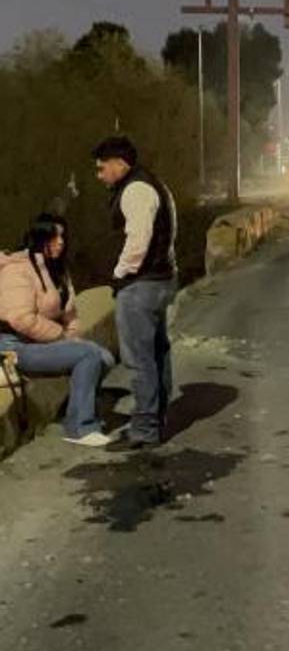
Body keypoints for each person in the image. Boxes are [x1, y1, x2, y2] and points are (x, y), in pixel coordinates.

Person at [0, 214, 116, 446]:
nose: (60, 242)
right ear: (39, 238)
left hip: (42, 342)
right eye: (54, 236)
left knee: (104, 357)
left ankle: (76, 410)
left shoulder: (57, 269)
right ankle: (80, 427)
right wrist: (61, 337)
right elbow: (20, 318)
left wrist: (71, 337)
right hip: (14, 348)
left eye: (63, 236)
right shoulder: (17, 270)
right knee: (87, 355)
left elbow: (70, 312)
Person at [92, 136, 178, 450]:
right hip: (160, 279)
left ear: (119, 164)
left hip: (141, 284)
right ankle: (158, 418)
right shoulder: (152, 184)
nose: (99, 175)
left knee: (139, 359)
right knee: (157, 353)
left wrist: (118, 274)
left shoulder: (136, 190)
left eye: (102, 168)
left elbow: (137, 241)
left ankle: (144, 428)